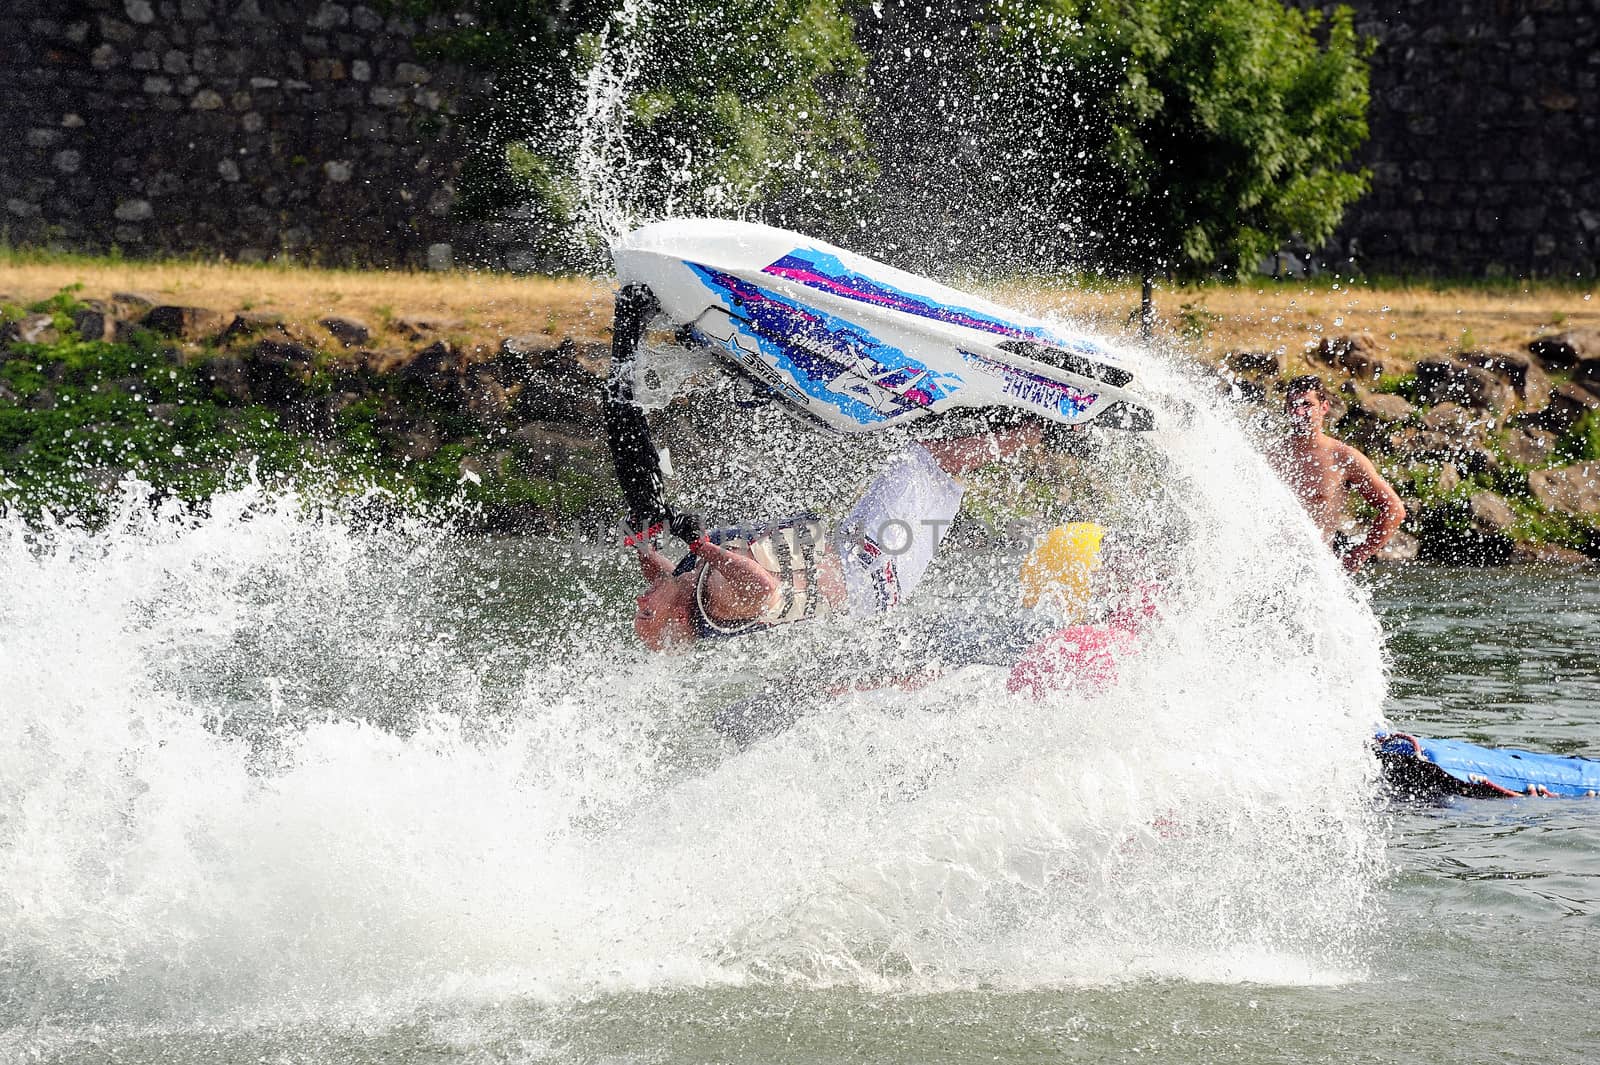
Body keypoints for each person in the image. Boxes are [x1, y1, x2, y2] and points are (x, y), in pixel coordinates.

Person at [631, 425, 1042, 650]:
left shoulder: (682, 584)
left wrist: (640, 537)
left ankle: (1005, 419)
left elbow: (661, 576)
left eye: (640, 609)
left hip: (853, 548)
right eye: (648, 612)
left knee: (925, 459)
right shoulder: (719, 601)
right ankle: (1045, 429)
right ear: (678, 618)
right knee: (926, 460)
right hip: (873, 572)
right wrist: (701, 544)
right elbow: (765, 587)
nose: (641, 601)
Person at [1270, 375, 1406, 571]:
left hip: (1316, 571)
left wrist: (1360, 554)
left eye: (1307, 404)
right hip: (1269, 570)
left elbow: (1394, 509)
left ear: (1324, 407)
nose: (1299, 412)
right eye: (1293, 405)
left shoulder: (1343, 458)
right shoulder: (1268, 457)